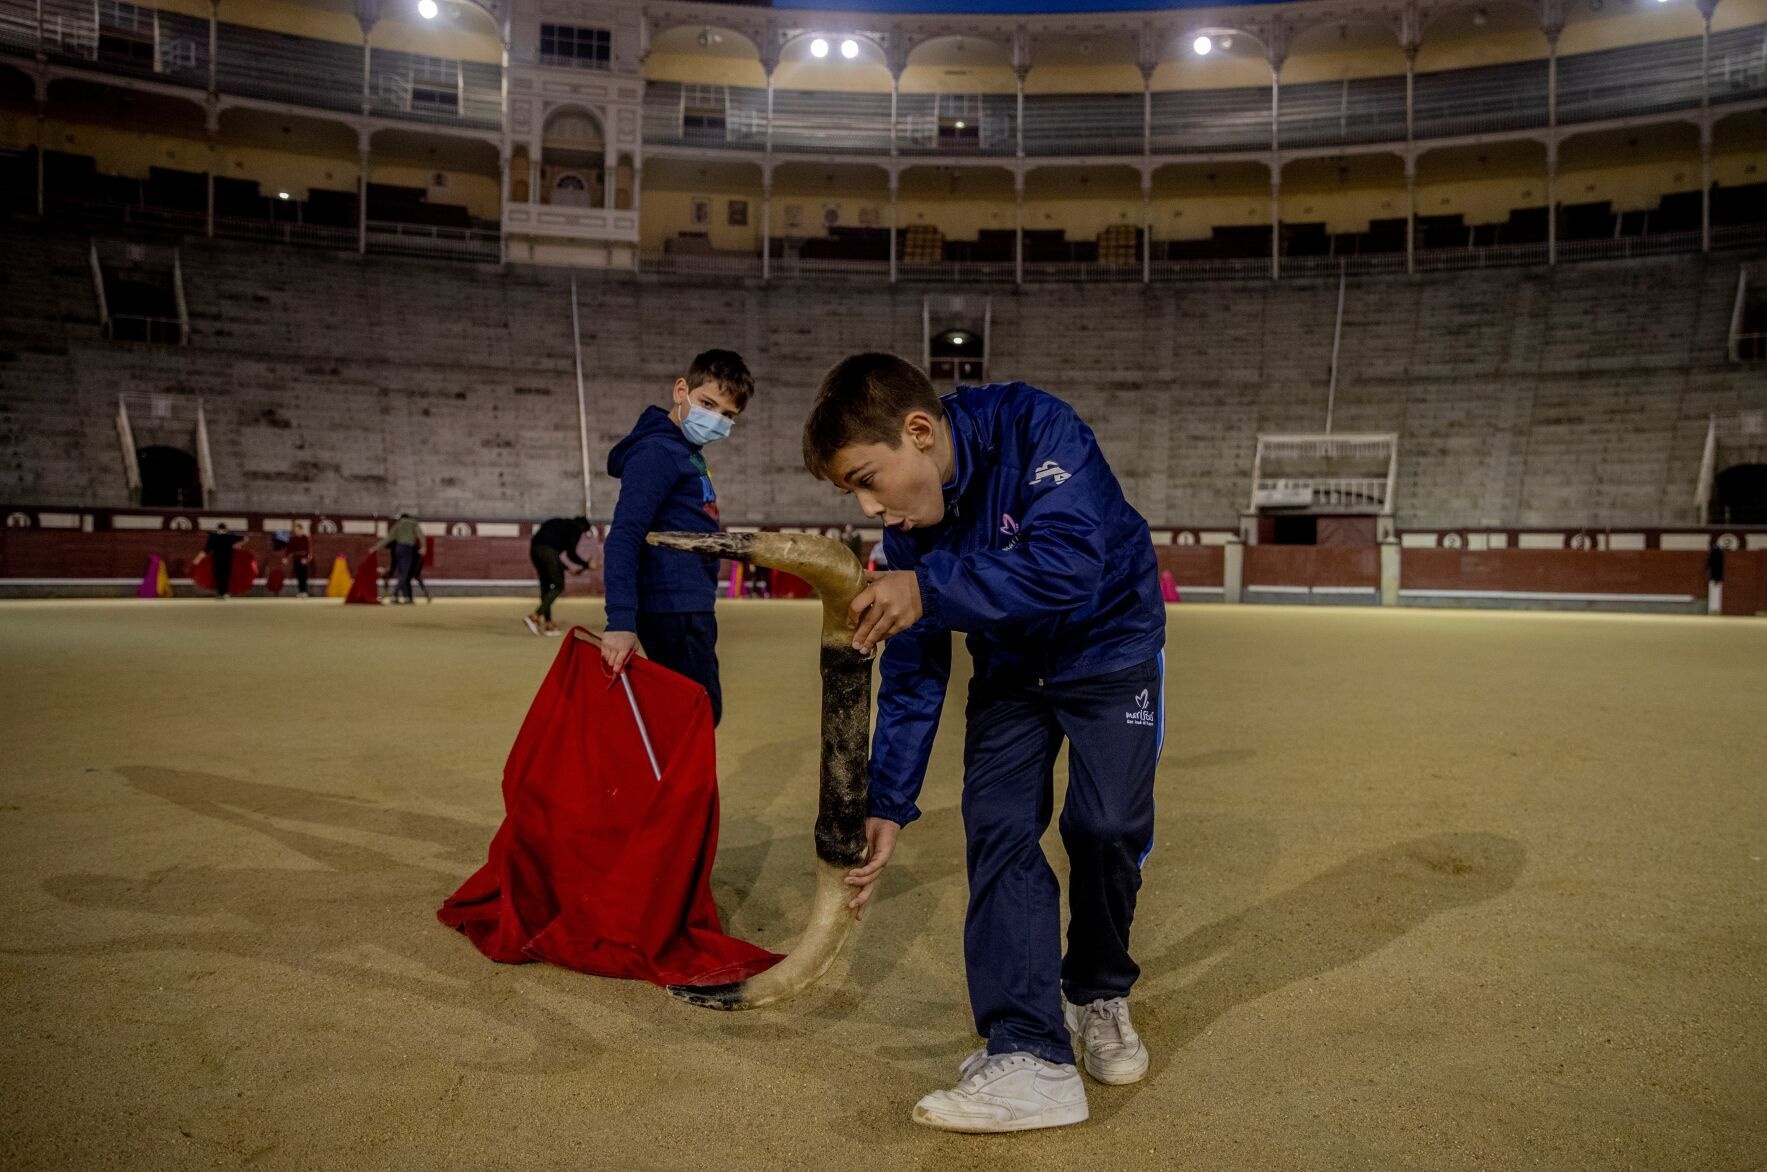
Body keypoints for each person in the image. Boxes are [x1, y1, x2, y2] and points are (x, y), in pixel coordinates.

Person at [802, 353, 1165, 1133]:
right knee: (998, 827)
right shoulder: (907, 540)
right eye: (852, 492)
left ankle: (1095, 991)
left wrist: (927, 590)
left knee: (1104, 830)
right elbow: (914, 671)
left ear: (920, 432)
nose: (869, 506)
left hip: (1112, 650)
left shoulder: (1039, 426)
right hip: (1009, 673)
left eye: (868, 478)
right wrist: (889, 802)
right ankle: (1028, 1052)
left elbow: (1070, 566)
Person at [599, 349, 755, 727]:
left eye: (727, 415)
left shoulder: (686, 453)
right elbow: (624, 535)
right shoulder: (657, 452)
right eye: (707, 404)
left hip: (689, 602)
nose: (715, 419)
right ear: (681, 390)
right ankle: (673, 787)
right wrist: (620, 621)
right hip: (672, 604)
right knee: (694, 716)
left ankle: (674, 786)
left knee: (690, 714)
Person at [526, 516, 592, 635]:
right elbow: (570, 553)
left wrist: (567, 568)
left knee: (546, 588)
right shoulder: (575, 528)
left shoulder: (557, 523)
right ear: (583, 527)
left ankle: (548, 623)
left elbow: (552, 553)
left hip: (534, 551)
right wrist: (586, 564)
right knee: (558, 586)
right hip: (548, 553)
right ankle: (535, 616)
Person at [375, 513, 423, 605]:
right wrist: (424, 546)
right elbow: (421, 536)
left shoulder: (398, 526)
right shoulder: (412, 524)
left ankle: (406, 598)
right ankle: (396, 595)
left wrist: (375, 547)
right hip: (408, 552)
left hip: (398, 552)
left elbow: (388, 538)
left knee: (403, 576)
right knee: (405, 576)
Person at [202, 524, 244, 599]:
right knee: (225, 577)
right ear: (225, 529)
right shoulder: (229, 536)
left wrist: (198, 559)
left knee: (218, 577)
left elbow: (207, 549)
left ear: (218, 529)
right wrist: (238, 545)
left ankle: (220, 593)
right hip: (227, 560)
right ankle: (224, 593)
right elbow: (245, 538)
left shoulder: (214, 537)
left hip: (217, 560)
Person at [287, 521, 314, 597]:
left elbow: (309, 549)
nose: (296, 531)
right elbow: (289, 549)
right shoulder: (293, 539)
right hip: (296, 559)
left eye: (298, 530)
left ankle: (304, 591)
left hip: (304, 560)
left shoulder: (305, 538)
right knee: (298, 576)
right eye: (295, 530)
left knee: (304, 576)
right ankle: (300, 591)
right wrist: (285, 557)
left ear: (301, 529)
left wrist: (306, 559)